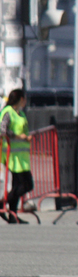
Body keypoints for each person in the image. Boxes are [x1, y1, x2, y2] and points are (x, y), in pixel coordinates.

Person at [0, 89, 33, 224]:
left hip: (22, 157)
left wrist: (27, 137)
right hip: (12, 155)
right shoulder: (8, 112)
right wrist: (20, 136)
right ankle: (3, 203)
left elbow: (23, 129)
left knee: (18, 185)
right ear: (20, 99)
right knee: (26, 185)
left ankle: (13, 215)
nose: (25, 101)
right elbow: (3, 130)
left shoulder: (21, 114)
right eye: (24, 98)